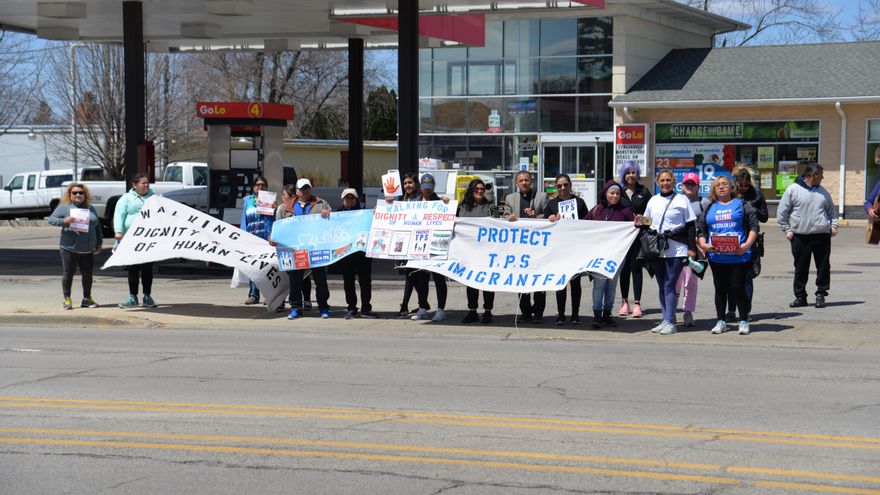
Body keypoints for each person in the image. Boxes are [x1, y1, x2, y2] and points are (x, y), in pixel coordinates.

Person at [697, 176, 760, 335]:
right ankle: (720, 321)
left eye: (725, 184)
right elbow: (701, 229)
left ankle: (744, 320)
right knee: (720, 289)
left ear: (731, 187)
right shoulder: (710, 207)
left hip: (739, 255)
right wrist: (703, 244)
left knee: (738, 288)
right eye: (718, 185)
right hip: (717, 257)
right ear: (714, 190)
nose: (721, 187)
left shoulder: (742, 205)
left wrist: (746, 246)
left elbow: (754, 226)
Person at [638, 170, 696, 335]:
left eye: (668, 180)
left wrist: (691, 248)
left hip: (677, 248)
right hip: (657, 248)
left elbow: (691, 225)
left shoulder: (682, 199)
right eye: (662, 180)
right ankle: (666, 319)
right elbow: (648, 222)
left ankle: (671, 322)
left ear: (673, 181)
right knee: (662, 285)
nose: (665, 183)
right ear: (657, 182)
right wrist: (638, 221)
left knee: (670, 284)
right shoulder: (653, 200)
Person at [777, 163, 839, 308]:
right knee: (801, 267)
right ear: (812, 174)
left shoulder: (823, 192)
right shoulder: (793, 189)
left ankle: (821, 294)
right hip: (800, 236)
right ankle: (800, 297)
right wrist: (787, 230)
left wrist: (834, 226)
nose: (823, 177)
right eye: (821, 175)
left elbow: (832, 212)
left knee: (823, 267)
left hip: (821, 236)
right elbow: (782, 212)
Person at [278, 178, 332, 319]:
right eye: (302, 189)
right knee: (295, 281)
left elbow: (332, 221)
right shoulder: (284, 208)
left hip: (316, 250)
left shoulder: (321, 204)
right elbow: (278, 228)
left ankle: (323, 308)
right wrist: (273, 238)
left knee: (320, 280)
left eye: (307, 188)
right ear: (297, 191)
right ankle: (296, 308)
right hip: (294, 250)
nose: (305, 191)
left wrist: (327, 213)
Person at [585, 180, 634, 328]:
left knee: (611, 285)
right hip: (598, 255)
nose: (615, 196)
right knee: (599, 284)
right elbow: (583, 226)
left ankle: (607, 314)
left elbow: (635, 229)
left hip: (617, 256)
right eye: (612, 193)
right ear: (605, 193)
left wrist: (639, 222)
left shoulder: (625, 212)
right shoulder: (596, 210)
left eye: (618, 193)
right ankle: (597, 315)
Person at [49, 182, 103, 310]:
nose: (78, 195)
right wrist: (64, 221)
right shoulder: (64, 207)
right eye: (75, 193)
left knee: (88, 275)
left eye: (81, 192)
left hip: (87, 249)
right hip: (70, 248)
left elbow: (97, 226)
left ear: (85, 195)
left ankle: (86, 299)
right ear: (69, 194)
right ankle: (67, 299)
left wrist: (99, 242)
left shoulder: (90, 208)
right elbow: (51, 219)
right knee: (68, 273)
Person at [505, 170, 549, 323]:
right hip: (519, 248)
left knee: (538, 281)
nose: (524, 183)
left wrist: (536, 216)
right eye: (521, 180)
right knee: (521, 281)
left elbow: (549, 215)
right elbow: (503, 216)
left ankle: (538, 313)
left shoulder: (542, 196)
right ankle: (525, 312)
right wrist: (509, 218)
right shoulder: (510, 198)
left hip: (538, 247)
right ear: (516, 183)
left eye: (527, 180)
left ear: (531, 182)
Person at [545, 173, 589, 325]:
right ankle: (561, 314)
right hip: (559, 249)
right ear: (556, 187)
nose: (562, 188)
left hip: (575, 248)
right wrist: (550, 219)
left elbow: (588, 222)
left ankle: (575, 314)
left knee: (575, 283)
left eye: (565, 185)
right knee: (561, 283)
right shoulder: (551, 204)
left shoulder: (579, 202)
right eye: (559, 186)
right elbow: (544, 224)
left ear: (570, 186)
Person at [727, 166, 769, 319]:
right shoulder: (730, 194)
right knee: (730, 279)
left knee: (746, 278)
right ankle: (731, 310)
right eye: (741, 185)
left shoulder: (756, 195)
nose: (744, 188)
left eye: (746, 185)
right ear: (736, 183)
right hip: (730, 239)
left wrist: (750, 207)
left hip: (750, 240)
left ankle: (746, 311)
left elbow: (764, 216)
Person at [114, 173, 158, 309]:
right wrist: (118, 231)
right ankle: (132, 296)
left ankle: (147, 296)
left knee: (147, 268)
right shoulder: (126, 198)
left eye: (147, 183)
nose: (146, 185)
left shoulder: (154, 198)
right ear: (134, 185)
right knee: (133, 267)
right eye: (143, 183)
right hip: (131, 238)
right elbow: (119, 215)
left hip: (149, 238)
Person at [335, 188, 378, 319]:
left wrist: (378, 212)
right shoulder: (336, 213)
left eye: (352, 198)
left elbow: (375, 218)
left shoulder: (365, 211)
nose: (349, 200)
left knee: (365, 282)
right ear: (342, 200)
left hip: (362, 253)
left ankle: (366, 309)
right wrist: (325, 213)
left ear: (356, 199)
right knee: (348, 282)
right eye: (347, 198)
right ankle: (352, 308)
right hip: (345, 254)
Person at [457, 178, 496, 324]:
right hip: (469, 251)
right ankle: (472, 310)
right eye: (477, 189)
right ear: (471, 190)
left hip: (487, 251)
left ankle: (488, 311)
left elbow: (500, 224)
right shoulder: (462, 208)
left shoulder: (489, 207)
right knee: (471, 281)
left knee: (487, 282)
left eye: (482, 189)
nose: (480, 191)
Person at [617, 160, 652, 319]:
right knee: (624, 270)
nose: (631, 175)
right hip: (622, 238)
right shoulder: (617, 191)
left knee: (636, 269)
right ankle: (624, 302)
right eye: (628, 172)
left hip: (639, 237)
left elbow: (653, 218)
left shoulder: (644, 191)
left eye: (633, 172)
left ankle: (637, 303)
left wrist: (642, 220)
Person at [674, 172, 709, 327]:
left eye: (692, 184)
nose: (689, 186)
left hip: (696, 247)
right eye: (687, 184)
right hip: (676, 246)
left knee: (690, 281)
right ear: (682, 186)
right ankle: (671, 312)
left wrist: (705, 243)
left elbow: (708, 225)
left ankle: (688, 312)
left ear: (697, 186)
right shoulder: (675, 200)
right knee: (674, 281)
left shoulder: (704, 202)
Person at [240, 176, 276, 306]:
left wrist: (274, 208)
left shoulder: (269, 200)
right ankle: (254, 294)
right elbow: (244, 219)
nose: (260, 187)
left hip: (266, 238)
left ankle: (268, 295)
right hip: (251, 238)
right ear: (253, 186)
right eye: (257, 185)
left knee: (267, 268)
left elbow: (274, 220)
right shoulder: (247, 201)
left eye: (263, 185)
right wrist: (243, 236)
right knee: (253, 268)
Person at [394, 172, 423, 318]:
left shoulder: (423, 199)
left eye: (410, 183)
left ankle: (406, 304)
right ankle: (420, 303)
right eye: (405, 183)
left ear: (416, 184)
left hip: (419, 242)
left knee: (413, 274)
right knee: (410, 274)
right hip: (405, 243)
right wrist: (386, 205)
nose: (407, 186)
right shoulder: (402, 201)